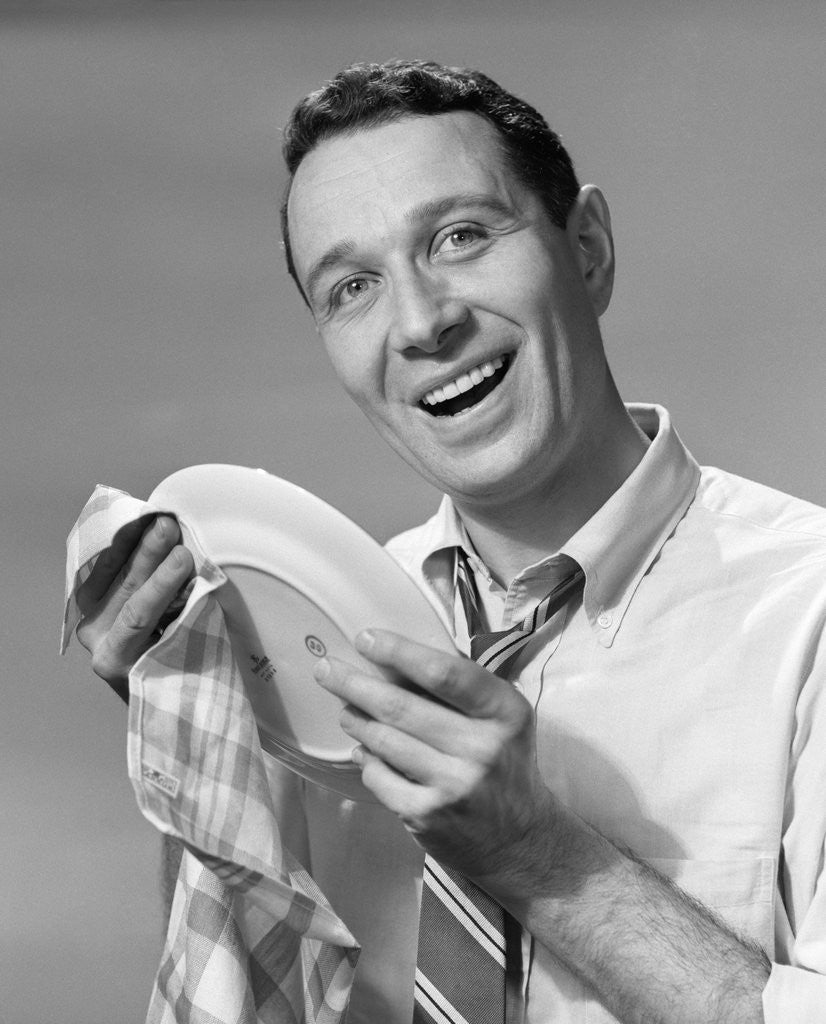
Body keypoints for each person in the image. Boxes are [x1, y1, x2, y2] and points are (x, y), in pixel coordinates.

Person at [75, 60, 826, 1023]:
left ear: (587, 247)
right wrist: (206, 728)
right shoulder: (309, 650)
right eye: (352, 287)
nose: (423, 322)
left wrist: (541, 855)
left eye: (461, 236)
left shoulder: (806, 613)